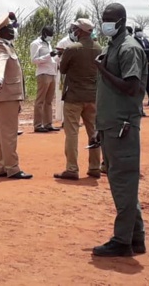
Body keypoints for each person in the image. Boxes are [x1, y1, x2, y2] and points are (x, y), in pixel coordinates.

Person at [91, 3, 148, 257]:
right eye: (103, 19)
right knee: (123, 183)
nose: (106, 23)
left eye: (110, 19)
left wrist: (102, 70)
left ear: (122, 21)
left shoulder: (128, 48)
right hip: (110, 125)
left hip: (122, 126)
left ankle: (122, 241)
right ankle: (135, 238)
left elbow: (132, 87)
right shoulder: (113, 46)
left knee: (123, 183)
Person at [54, 18, 102, 180]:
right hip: (93, 96)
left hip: (74, 96)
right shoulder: (99, 48)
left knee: (72, 133)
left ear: (80, 31)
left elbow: (64, 69)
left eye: (75, 29)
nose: (73, 31)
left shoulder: (72, 48)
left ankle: (72, 168)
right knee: (93, 132)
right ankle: (95, 167)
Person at [0, 13, 32, 179]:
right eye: (10, 28)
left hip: (5, 96)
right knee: (9, 133)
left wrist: (13, 19)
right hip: (7, 96)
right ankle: (12, 168)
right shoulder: (1, 47)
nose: (14, 30)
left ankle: (1, 166)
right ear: (4, 31)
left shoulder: (6, 44)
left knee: (1, 133)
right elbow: (0, 63)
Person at [29, 26, 59, 133]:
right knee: (40, 100)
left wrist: (56, 56)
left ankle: (48, 123)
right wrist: (48, 55)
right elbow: (34, 60)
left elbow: (51, 59)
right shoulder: (36, 44)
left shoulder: (48, 44)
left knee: (49, 101)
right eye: (49, 35)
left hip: (52, 73)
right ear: (44, 33)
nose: (51, 37)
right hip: (43, 74)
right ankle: (38, 125)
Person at [54, 23, 77, 125]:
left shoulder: (78, 42)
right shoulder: (63, 42)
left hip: (74, 73)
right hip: (63, 73)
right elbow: (55, 58)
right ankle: (63, 119)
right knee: (62, 96)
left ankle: (71, 118)